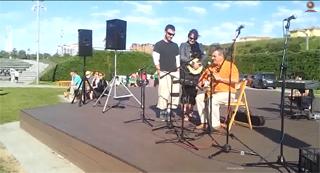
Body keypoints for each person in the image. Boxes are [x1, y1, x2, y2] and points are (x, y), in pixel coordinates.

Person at [195, 46, 239, 130]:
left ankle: (215, 125)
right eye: (212, 56)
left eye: (214, 56)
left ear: (221, 56)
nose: (212, 58)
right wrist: (201, 83)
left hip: (228, 93)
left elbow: (235, 80)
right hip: (214, 93)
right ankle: (204, 122)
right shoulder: (211, 67)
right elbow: (202, 80)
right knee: (199, 98)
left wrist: (221, 79)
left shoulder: (230, 66)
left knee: (212, 100)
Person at [152, 24, 180, 120]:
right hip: (164, 72)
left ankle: (169, 112)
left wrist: (178, 71)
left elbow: (178, 60)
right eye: (169, 34)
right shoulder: (158, 44)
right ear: (165, 32)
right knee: (163, 94)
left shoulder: (175, 45)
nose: (171, 36)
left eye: (173, 34)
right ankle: (163, 116)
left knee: (174, 94)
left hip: (175, 72)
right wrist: (159, 70)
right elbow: (156, 59)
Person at [179, 29, 207, 121]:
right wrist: (191, 62)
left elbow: (205, 56)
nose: (192, 40)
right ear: (188, 36)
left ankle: (190, 111)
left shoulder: (200, 46)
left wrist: (199, 63)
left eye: (194, 38)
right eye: (190, 38)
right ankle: (184, 113)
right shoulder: (183, 45)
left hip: (197, 72)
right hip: (186, 71)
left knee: (193, 93)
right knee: (185, 93)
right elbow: (182, 57)